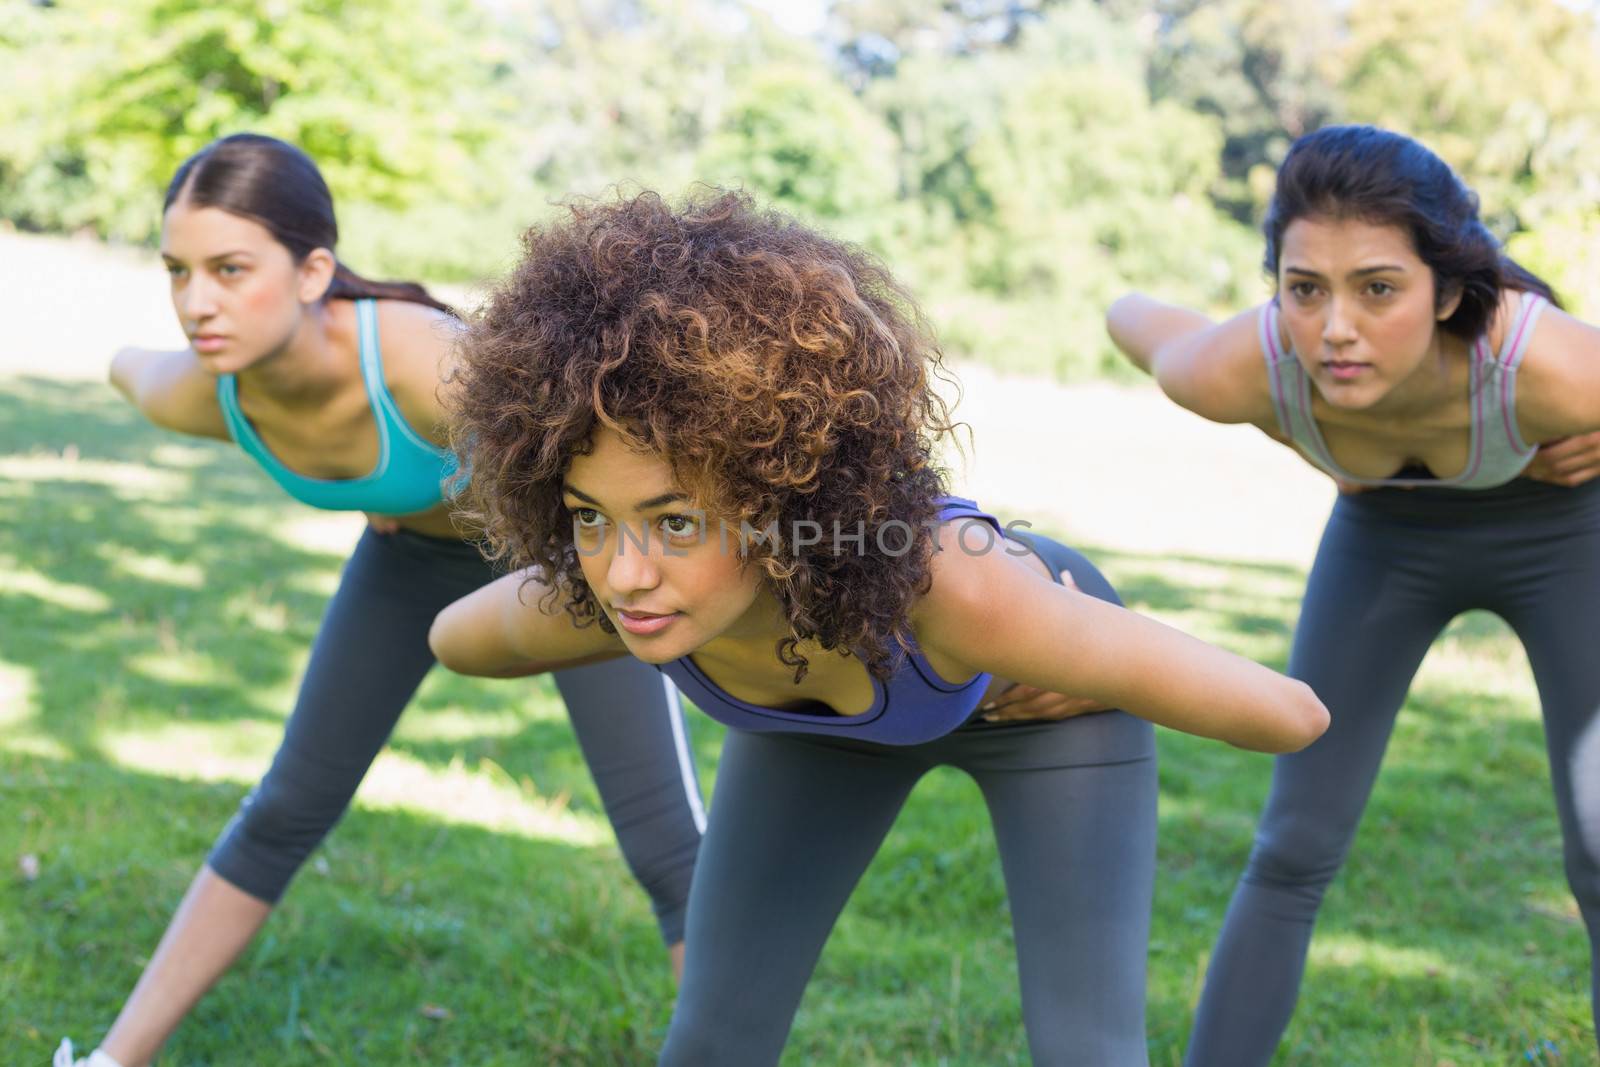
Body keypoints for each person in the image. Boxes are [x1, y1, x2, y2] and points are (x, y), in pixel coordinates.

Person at [427, 188, 1329, 1065]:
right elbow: (457, 639)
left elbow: (1290, 715)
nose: (626, 571)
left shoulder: (959, 589)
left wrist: (1079, 644)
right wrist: (571, 588)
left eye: (675, 521)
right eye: (589, 517)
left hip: (1046, 711)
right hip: (817, 724)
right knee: (712, 1040)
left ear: (782, 495)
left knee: (1087, 1049)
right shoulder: (616, 594)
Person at [54, 135, 705, 1067]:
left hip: (564, 564)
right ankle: (113, 1060)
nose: (198, 302)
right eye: (177, 272)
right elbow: (132, 367)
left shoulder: (419, 364)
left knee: (667, 846)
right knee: (286, 804)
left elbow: (599, 447)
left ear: (314, 269)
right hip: (411, 568)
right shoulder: (204, 393)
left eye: (231, 269)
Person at [1105, 123, 1600, 1065]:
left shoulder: (1552, 366)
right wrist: (1290, 428)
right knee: (1292, 844)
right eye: (1304, 289)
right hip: (1387, 546)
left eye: (1379, 288)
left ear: (1449, 288)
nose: (1335, 327)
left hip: (1563, 532)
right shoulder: (1242, 367)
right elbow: (1128, 316)